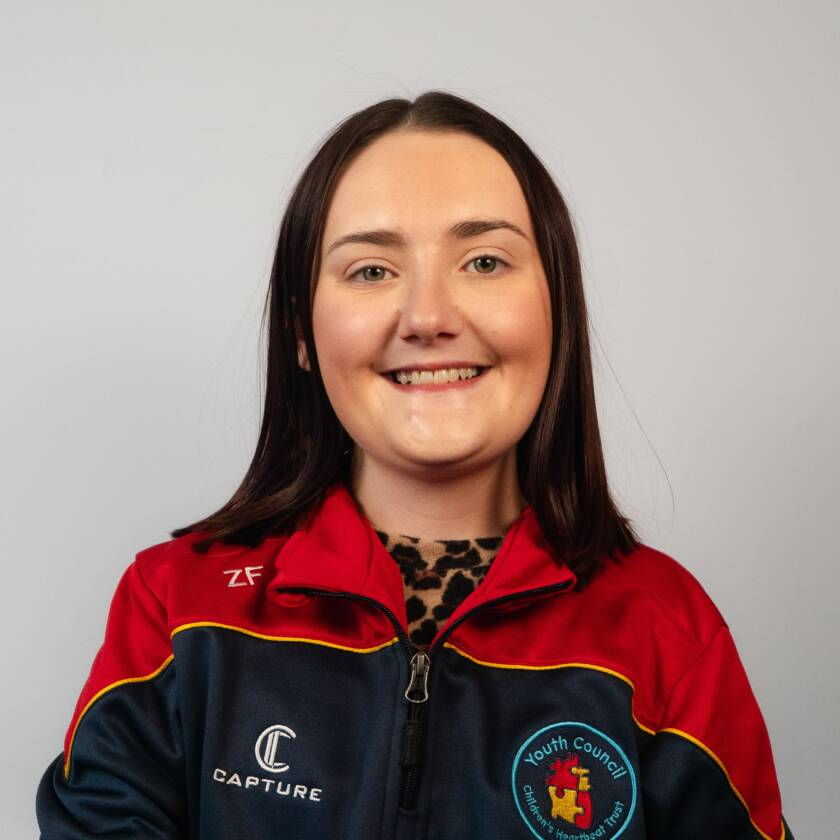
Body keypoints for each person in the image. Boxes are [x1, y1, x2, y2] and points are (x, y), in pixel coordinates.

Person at [36, 92, 794, 840]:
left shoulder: (668, 632)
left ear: (558, 309)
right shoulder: (176, 608)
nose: (429, 317)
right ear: (301, 330)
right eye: (371, 271)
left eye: (485, 261)